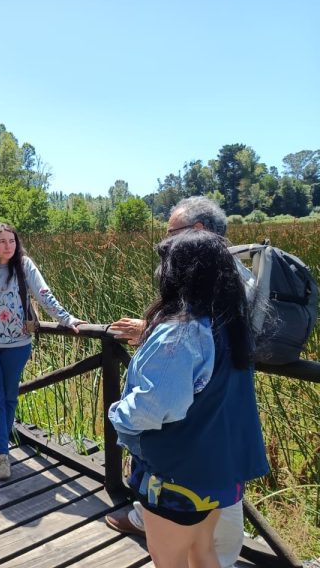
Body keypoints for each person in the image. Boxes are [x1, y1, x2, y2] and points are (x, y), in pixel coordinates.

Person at [107, 196, 254, 568]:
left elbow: (154, 407)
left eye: (168, 246)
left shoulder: (180, 333)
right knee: (203, 552)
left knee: (168, 560)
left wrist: (116, 415)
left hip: (177, 478)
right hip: (217, 470)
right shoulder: (229, 318)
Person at [0, 224, 84, 480]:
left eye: (12, 241)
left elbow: (44, 294)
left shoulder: (24, 266)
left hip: (17, 345)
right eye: (2, 241)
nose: (8, 246)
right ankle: (2, 454)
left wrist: (67, 319)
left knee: (10, 397)